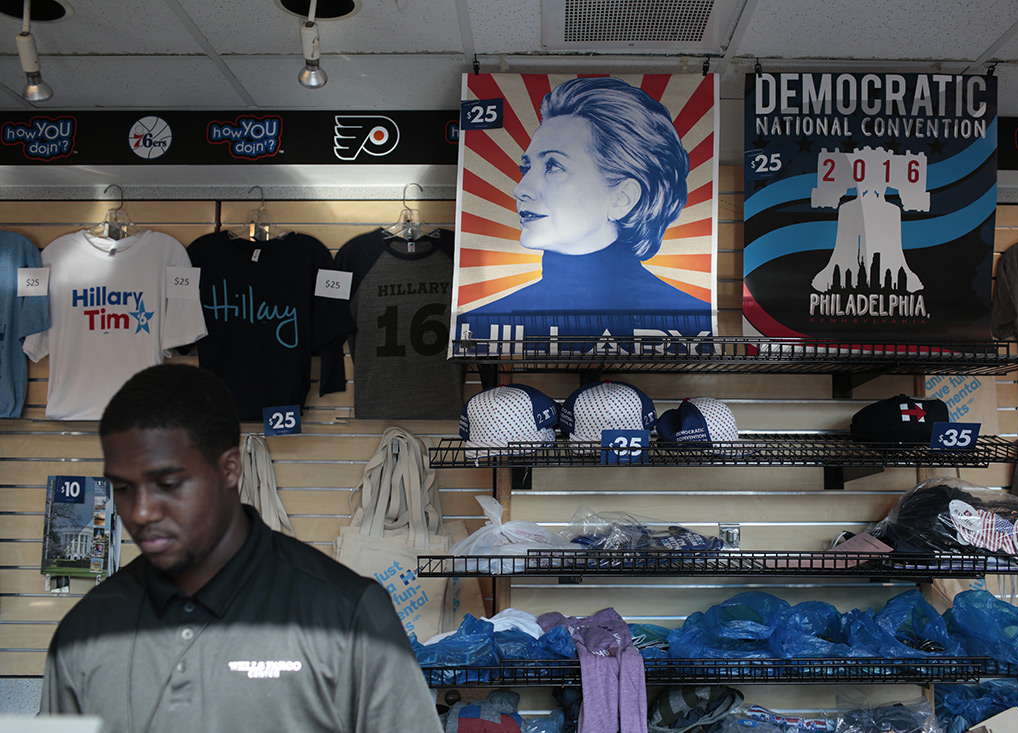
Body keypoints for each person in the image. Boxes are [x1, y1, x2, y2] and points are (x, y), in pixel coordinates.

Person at [39, 363, 444, 733]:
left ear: (229, 469)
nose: (142, 511)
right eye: (124, 488)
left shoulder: (347, 614)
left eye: (168, 484)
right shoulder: (86, 630)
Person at [456, 76, 713, 349]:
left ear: (623, 198)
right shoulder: (480, 325)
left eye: (553, 166)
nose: (521, 190)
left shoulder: (693, 324)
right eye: (526, 168)